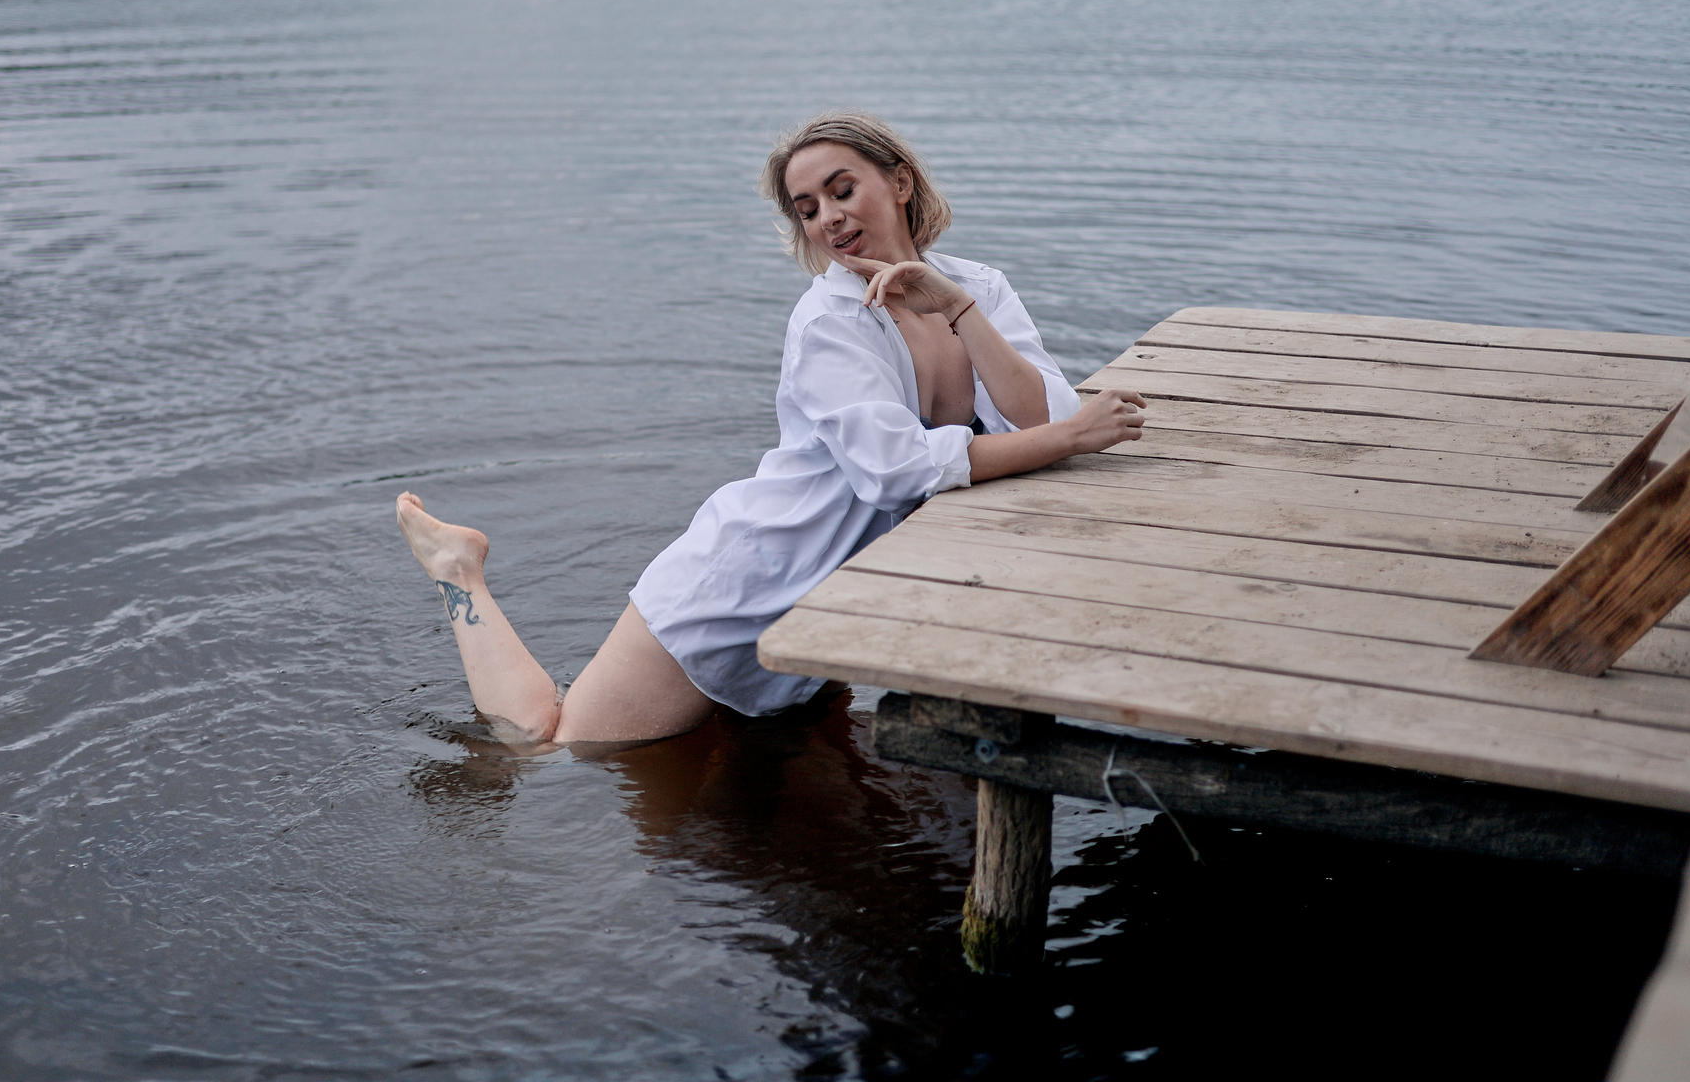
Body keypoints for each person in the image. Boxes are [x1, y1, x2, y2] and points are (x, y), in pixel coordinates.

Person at [396, 112, 1146, 747]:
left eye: (842, 190)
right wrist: (1069, 440)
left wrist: (957, 309)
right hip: (745, 584)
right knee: (548, 746)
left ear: (901, 182)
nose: (828, 218)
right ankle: (460, 572)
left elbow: (1039, 412)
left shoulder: (977, 286)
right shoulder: (828, 322)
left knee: (770, 771)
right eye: (807, 208)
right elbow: (899, 469)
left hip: (831, 603)